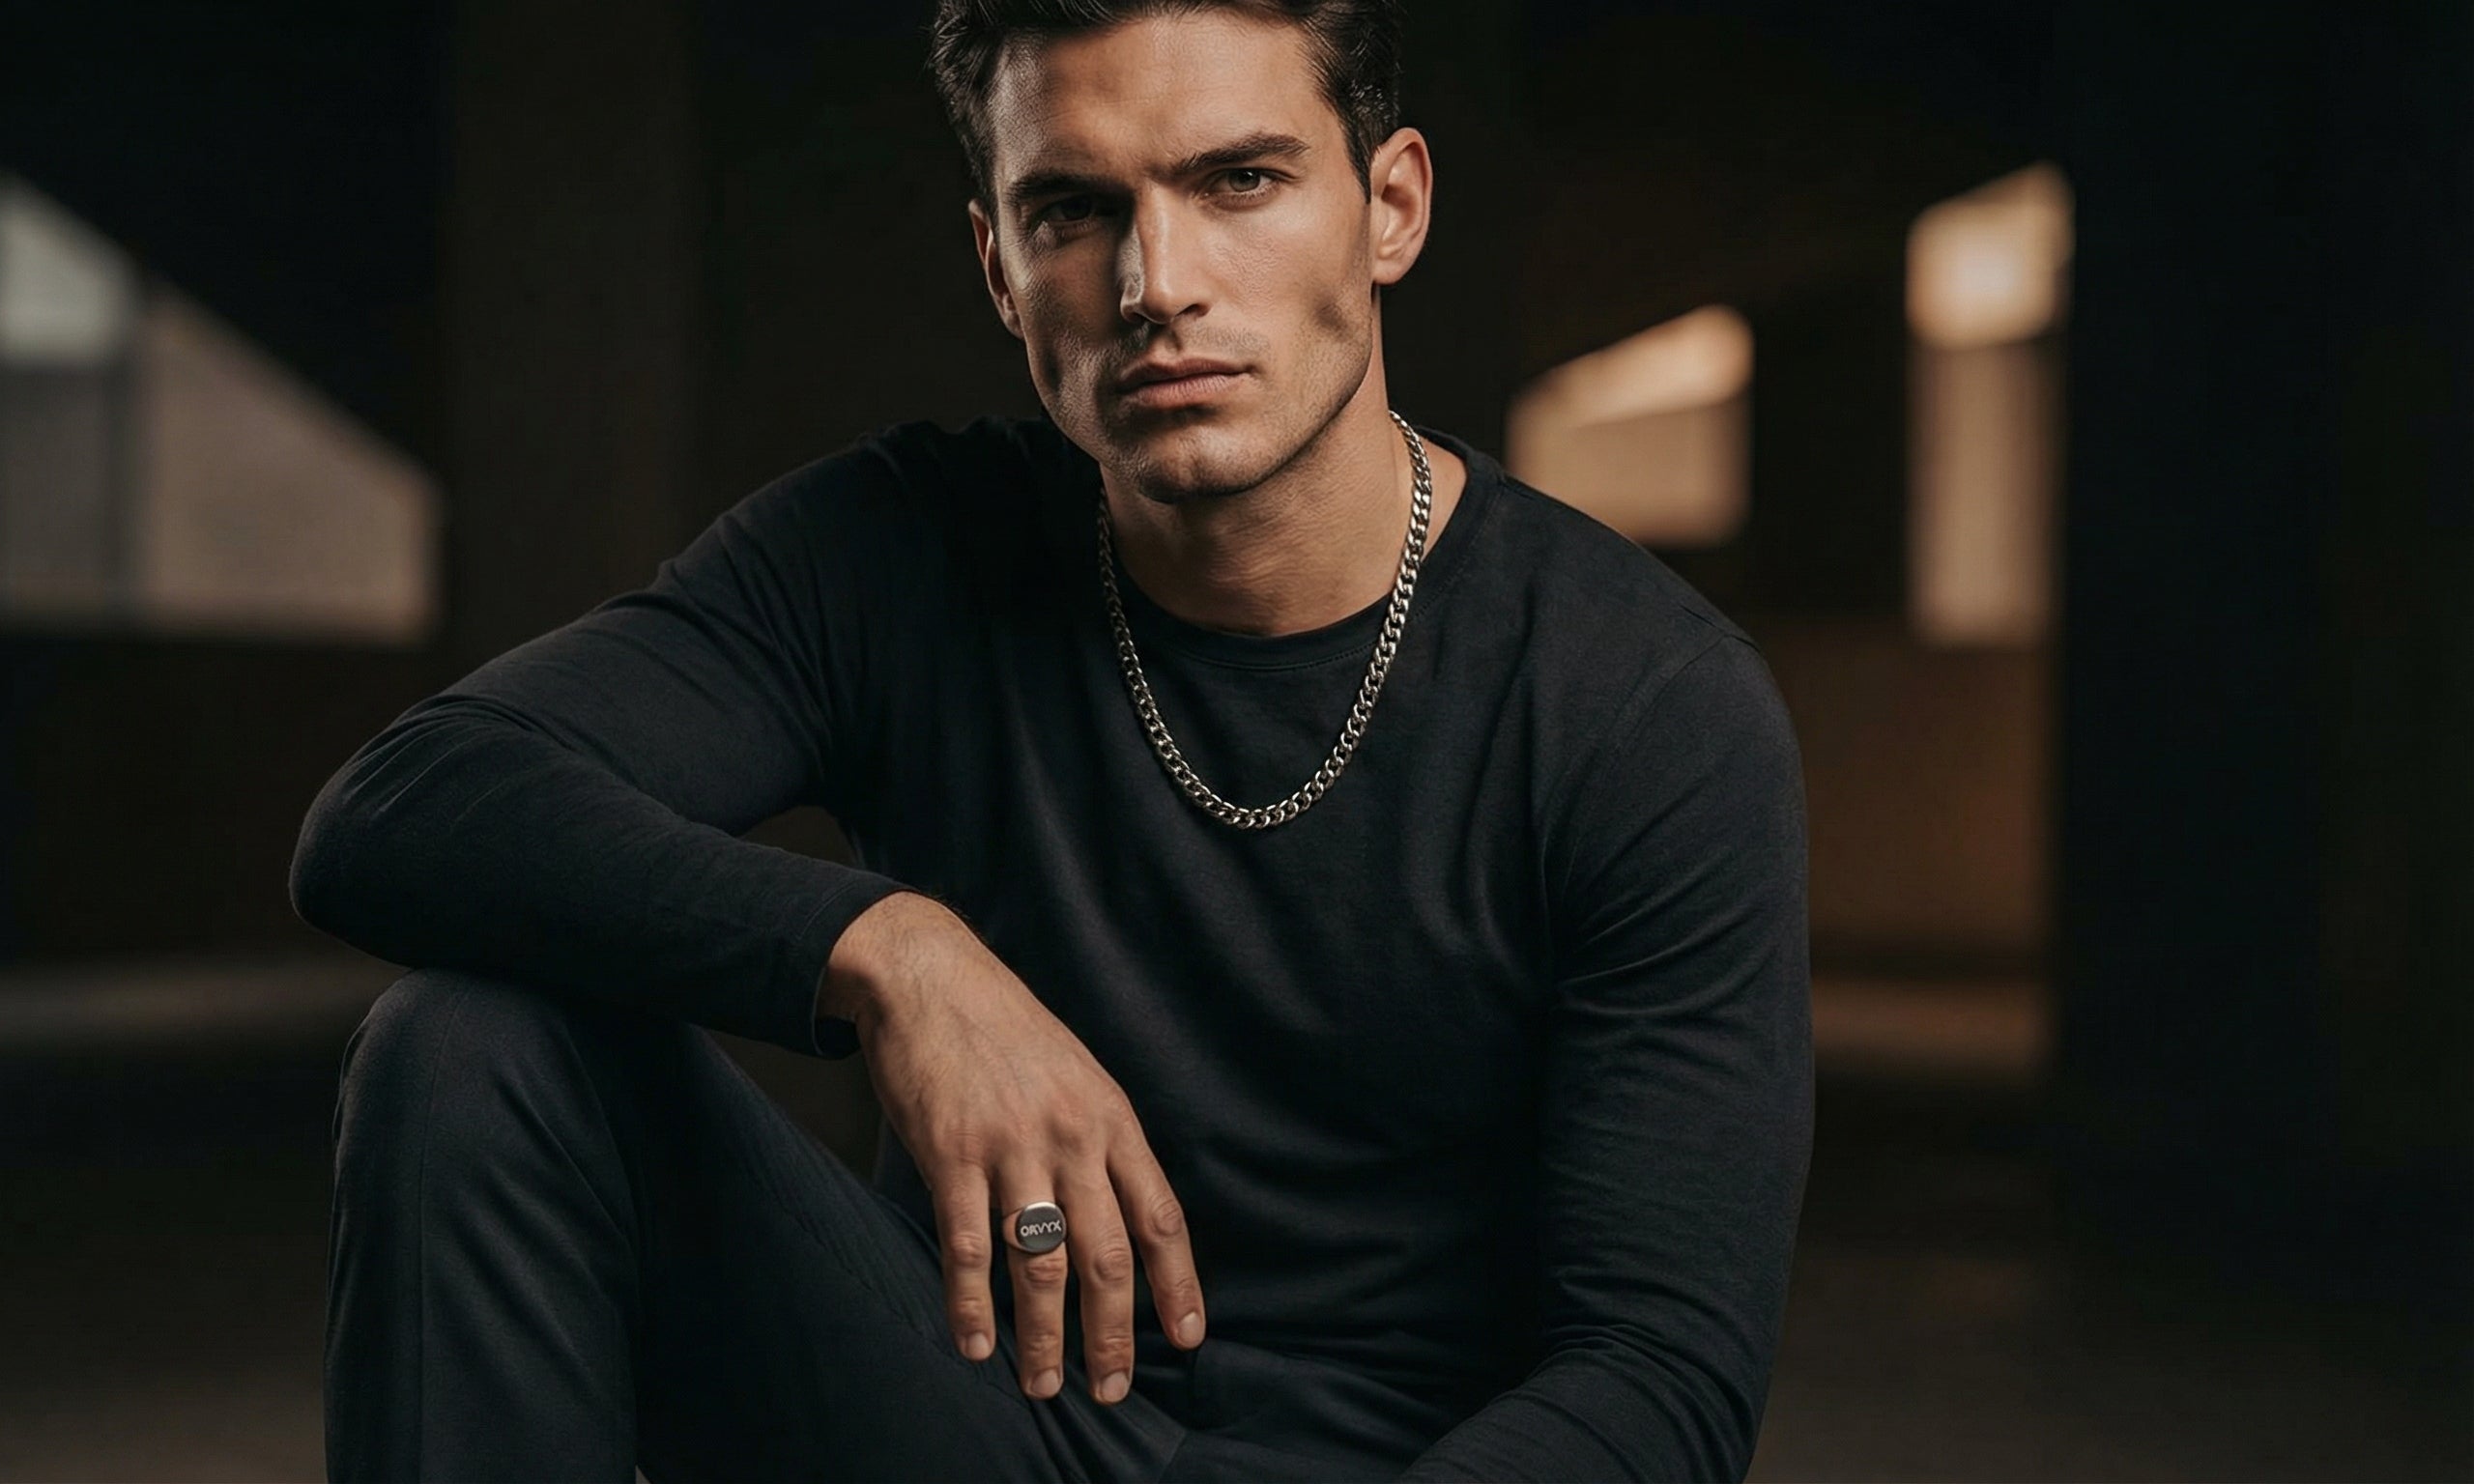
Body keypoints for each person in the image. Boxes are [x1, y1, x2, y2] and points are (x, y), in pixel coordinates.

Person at [292, 0, 1815, 1478]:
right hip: (976, 1415)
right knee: (469, 1053)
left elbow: (1657, 1375)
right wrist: (892, 951)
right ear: (1001, 270)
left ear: (1392, 208)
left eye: (1240, 180)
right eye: (1074, 210)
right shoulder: (899, 550)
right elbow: (399, 809)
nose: (1157, 281)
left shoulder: (1643, 702)